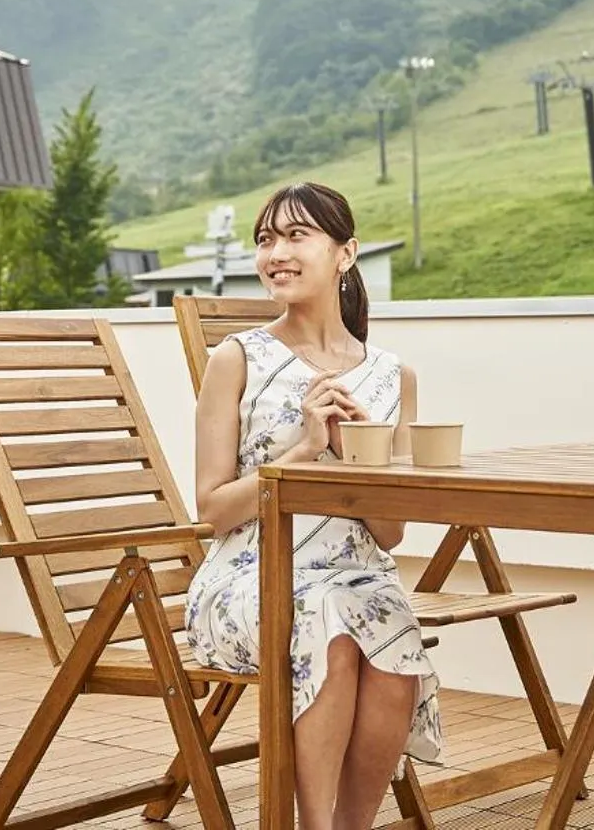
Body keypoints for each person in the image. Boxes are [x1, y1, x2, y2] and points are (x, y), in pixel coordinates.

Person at [183, 182, 441, 830]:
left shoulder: (392, 376)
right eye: (267, 239)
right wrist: (303, 450)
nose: (276, 253)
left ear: (345, 253)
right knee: (334, 616)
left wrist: (355, 456)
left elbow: (389, 533)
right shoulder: (236, 358)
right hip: (250, 574)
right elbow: (212, 509)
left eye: (297, 236)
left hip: (355, 570)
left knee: (384, 624)